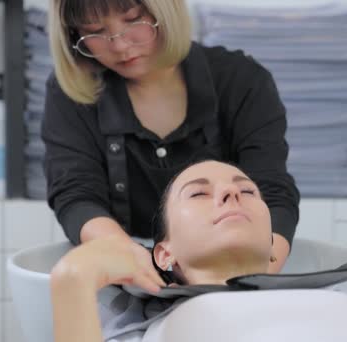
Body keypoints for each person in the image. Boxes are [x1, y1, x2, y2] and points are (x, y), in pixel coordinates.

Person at [50, 160, 347, 342]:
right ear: (163, 254)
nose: (231, 195)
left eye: (247, 190)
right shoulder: (153, 330)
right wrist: (73, 282)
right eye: (200, 194)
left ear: (272, 245)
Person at [42, 0, 300, 279]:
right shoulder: (71, 96)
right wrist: (125, 256)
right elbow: (76, 193)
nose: (119, 45)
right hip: (125, 276)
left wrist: (255, 273)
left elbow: (272, 190)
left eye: (132, 20)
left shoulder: (242, 81)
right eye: (94, 31)